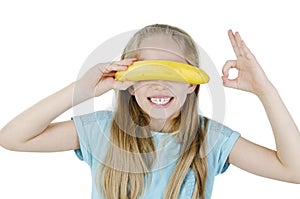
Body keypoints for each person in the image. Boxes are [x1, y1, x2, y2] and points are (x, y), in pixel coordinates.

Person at [0, 24, 299, 199]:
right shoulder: (100, 130)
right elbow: (13, 138)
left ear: (191, 84)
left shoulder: (212, 140)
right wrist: (82, 88)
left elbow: (294, 171)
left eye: (172, 73)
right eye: (146, 72)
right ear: (129, 83)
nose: (158, 84)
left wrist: (265, 91)